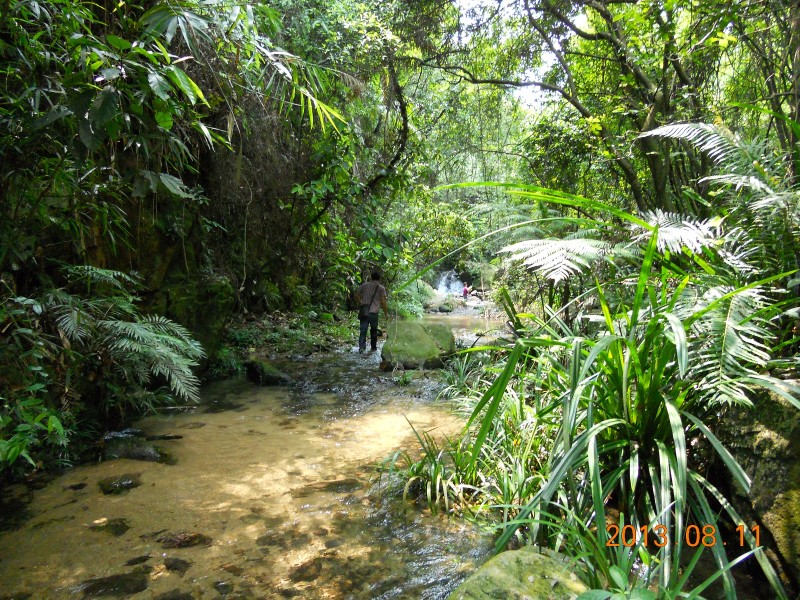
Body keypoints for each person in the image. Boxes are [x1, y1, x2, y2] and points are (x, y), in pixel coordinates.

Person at [356, 271, 389, 353]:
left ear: (371, 277)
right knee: (374, 331)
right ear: (379, 279)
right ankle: (373, 348)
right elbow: (383, 301)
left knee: (363, 331)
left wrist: (360, 303)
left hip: (364, 312)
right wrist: (386, 314)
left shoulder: (364, 285)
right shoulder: (381, 288)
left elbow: (356, 295)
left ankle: (361, 348)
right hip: (374, 313)